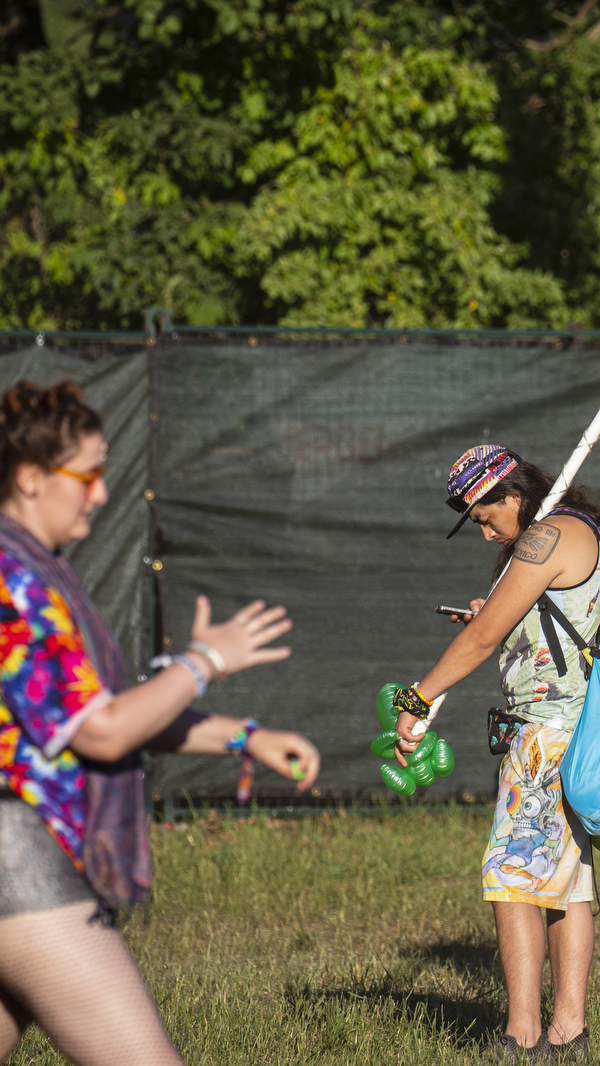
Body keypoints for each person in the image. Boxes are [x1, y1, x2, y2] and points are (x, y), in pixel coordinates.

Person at [0, 380, 317, 1066]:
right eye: (85, 475)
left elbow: (116, 715)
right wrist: (204, 662)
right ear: (29, 478)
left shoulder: (37, 572)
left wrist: (243, 735)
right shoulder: (12, 580)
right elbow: (105, 732)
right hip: (17, 862)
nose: (101, 493)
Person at [399, 445, 600, 1061]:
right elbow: (535, 619)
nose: (486, 530)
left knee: (513, 880)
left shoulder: (546, 535)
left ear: (513, 496)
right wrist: (488, 613)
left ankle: (519, 1035)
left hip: (547, 735)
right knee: (568, 886)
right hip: (580, 729)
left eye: (486, 517)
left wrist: (418, 699)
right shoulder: (581, 531)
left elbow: (485, 634)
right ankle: (569, 1032)